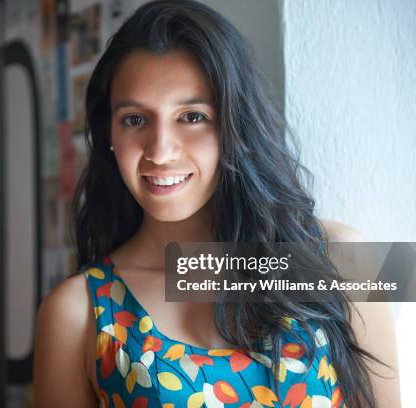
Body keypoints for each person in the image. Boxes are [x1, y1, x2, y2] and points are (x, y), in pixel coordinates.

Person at [33, 1, 400, 406]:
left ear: (233, 125)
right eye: (135, 119)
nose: (160, 151)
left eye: (191, 117)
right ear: (109, 135)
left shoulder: (347, 257)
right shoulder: (74, 312)